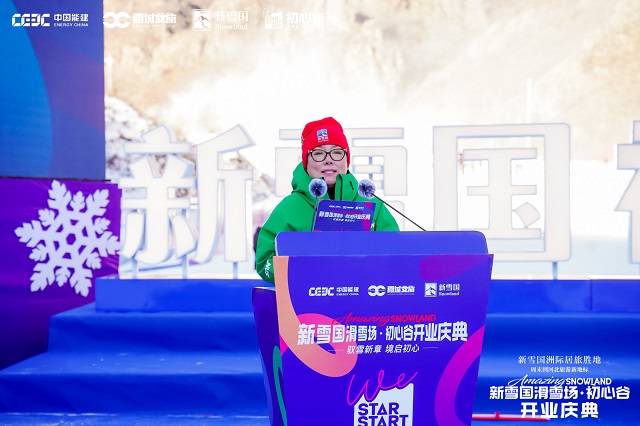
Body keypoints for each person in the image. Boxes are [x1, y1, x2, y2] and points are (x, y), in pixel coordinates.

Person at [255, 117, 399, 283]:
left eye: (337, 152)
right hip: (308, 298)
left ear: (346, 160)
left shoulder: (372, 203)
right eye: (318, 153)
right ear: (306, 162)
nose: (328, 159)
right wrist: (301, 270)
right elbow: (264, 261)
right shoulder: (289, 208)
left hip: (364, 296)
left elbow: (395, 252)